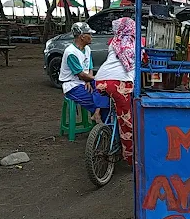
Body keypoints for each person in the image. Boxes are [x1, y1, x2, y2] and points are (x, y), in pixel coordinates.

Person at [94, 17, 138, 165]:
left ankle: (104, 129)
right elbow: (140, 61)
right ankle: (130, 158)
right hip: (120, 82)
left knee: (116, 110)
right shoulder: (133, 43)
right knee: (127, 121)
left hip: (101, 80)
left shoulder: (114, 41)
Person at [59, 22, 109, 124]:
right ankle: (102, 123)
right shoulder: (71, 53)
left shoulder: (87, 49)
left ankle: (97, 115)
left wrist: (88, 80)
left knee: (105, 88)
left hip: (85, 80)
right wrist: (91, 79)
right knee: (98, 101)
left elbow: (89, 67)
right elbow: (80, 74)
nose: (91, 36)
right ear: (82, 37)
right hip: (72, 85)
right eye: (89, 34)